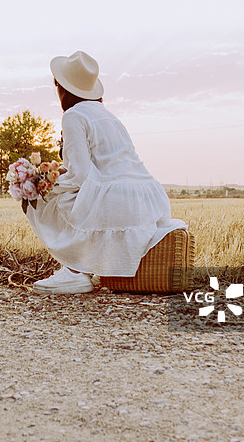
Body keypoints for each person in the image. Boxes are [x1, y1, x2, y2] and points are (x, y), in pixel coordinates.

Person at [26, 50, 186, 294]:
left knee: (49, 200)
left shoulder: (73, 115)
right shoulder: (108, 116)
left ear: (62, 88)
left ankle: (74, 271)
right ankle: (79, 269)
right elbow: (104, 165)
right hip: (149, 197)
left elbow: (79, 175)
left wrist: (42, 184)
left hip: (118, 198)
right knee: (70, 194)